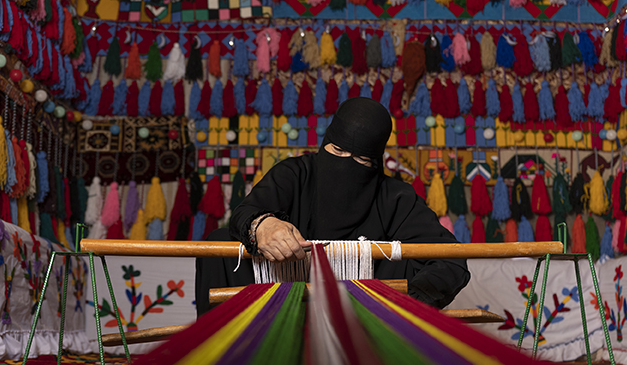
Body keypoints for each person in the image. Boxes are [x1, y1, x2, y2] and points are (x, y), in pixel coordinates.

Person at [195, 97, 470, 315]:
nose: (346, 164)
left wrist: (395, 302)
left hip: (367, 322)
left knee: (407, 260)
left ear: (376, 163)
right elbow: (244, 214)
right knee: (220, 245)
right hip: (278, 313)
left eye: (362, 160)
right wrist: (262, 225)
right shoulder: (295, 174)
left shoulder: (395, 197)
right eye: (337, 152)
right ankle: (226, 359)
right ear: (325, 144)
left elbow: (451, 259)